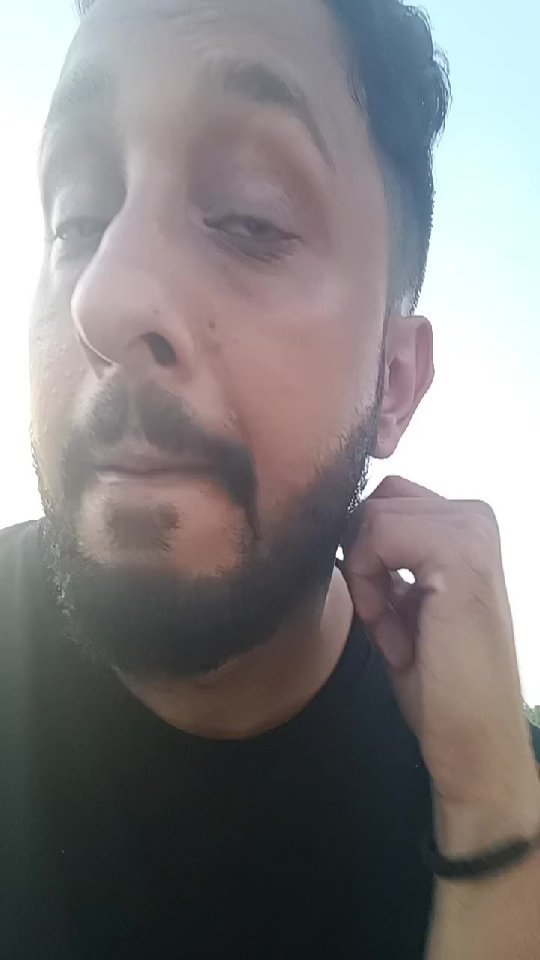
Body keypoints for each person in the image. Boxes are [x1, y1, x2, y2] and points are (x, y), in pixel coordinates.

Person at [1, 0, 539, 956]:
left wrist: (493, 823)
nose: (105, 296)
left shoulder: (497, 788)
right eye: (77, 220)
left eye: (250, 218)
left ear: (393, 383)